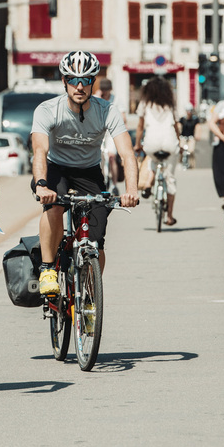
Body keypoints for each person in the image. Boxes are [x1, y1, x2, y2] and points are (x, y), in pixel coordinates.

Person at [31, 51, 139, 296]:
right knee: (55, 205)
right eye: (73, 79)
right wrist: (41, 184)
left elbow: (127, 153)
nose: (79, 86)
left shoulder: (106, 110)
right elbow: (39, 150)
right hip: (55, 169)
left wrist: (131, 190)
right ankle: (48, 268)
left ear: (93, 82)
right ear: (64, 81)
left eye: (86, 80)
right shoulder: (48, 109)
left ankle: (90, 296)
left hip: (89, 173)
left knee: (96, 241)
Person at [134, 77, 181, 226]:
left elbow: (140, 127)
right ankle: (169, 216)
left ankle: (148, 183)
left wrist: (137, 144)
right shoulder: (170, 104)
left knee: (152, 158)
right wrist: (178, 141)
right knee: (170, 177)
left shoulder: (144, 104)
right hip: (169, 143)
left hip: (151, 142)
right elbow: (176, 125)